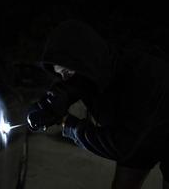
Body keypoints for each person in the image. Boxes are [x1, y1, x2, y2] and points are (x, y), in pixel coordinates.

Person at [27, 20, 169, 189]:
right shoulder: (89, 76)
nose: (65, 79)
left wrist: (67, 124)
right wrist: (46, 106)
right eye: (60, 74)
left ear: (83, 60)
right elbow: (67, 88)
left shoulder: (143, 76)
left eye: (66, 72)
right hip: (141, 139)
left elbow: (122, 146)